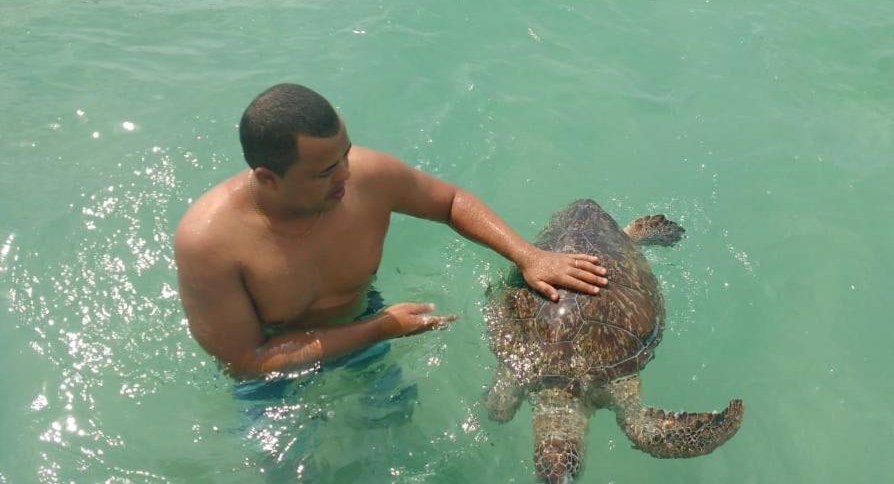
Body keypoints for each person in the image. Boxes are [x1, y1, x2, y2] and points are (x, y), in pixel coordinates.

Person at [174, 83, 608, 380]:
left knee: (392, 428)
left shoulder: (366, 176)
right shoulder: (211, 242)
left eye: (345, 154)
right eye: (326, 170)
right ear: (268, 178)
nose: (347, 173)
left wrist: (527, 255)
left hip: (369, 317)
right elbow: (245, 361)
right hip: (277, 374)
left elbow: (450, 201)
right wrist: (381, 329)